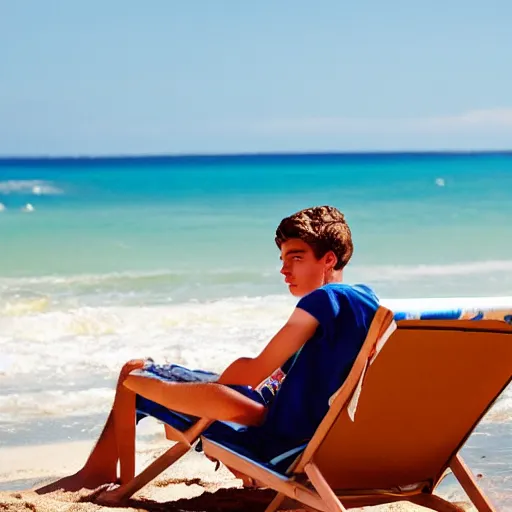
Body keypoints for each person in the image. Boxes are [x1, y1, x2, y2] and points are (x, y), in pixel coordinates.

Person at [37, 205, 379, 497]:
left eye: (296, 257)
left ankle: (100, 474)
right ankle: (104, 467)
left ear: (328, 259)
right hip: (328, 446)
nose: (284, 269)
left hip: (280, 445)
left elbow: (255, 370)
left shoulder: (322, 299)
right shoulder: (368, 303)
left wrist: (217, 391)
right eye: (282, 258)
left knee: (133, 371)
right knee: (209, 390)